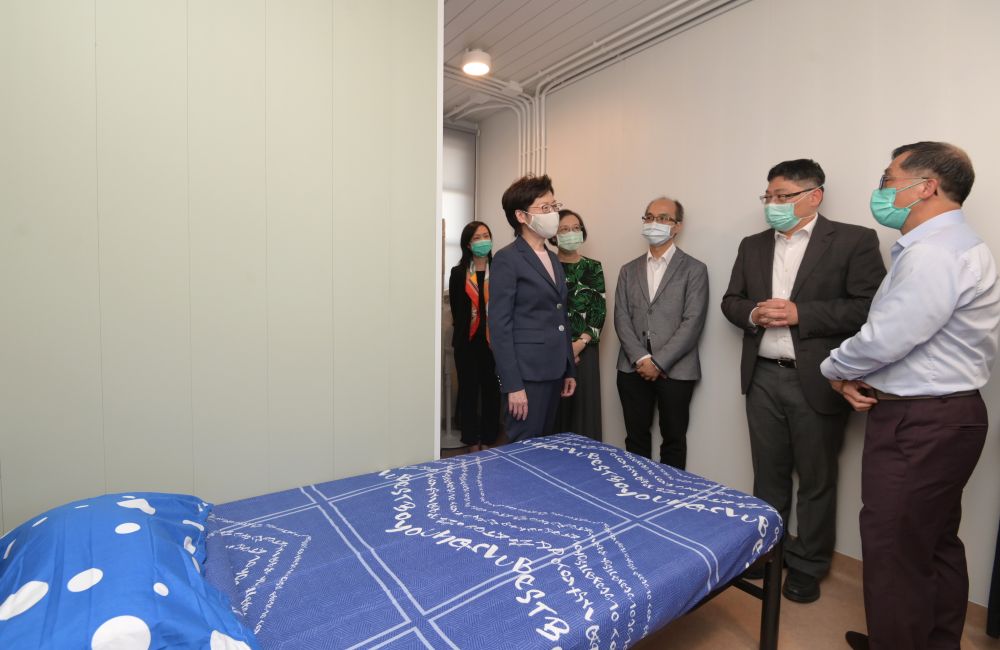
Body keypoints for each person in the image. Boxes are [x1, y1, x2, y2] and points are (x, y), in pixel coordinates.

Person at [820, 142, 1000, 650]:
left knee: (894, 547)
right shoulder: (958, 243)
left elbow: (890, 336)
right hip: (949, 416)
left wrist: (833, 368)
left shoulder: (932, 252)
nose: (880, 190)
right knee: (933, 540)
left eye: (887, 178)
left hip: (920, 422)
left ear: (925, 187)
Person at [720, 159, 886, 604]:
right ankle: (768, 556)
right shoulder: (752, 245)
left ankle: (809, 565)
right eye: (768, 196)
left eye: (783, 196)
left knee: (816, 479)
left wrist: (802, 314)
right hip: (762, 378)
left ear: (815, 195)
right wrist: (753, 313)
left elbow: (870, 307)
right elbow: (731, 300)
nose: (773, 204)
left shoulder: (854, 240)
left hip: (820, 380)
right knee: (768, 475)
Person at [614, 196, 708, 469]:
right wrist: (641, 358)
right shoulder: (628, 270)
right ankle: (635, 498)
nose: (654, 223)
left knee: (674, 440)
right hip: (632, 368)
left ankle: (669, 502)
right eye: (649, 217)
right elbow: (621, 317)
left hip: (676, 370)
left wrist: (659, 362)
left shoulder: (694, 269)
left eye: (663, 218)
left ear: (677, 226)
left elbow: (693, 321)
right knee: (635, 439)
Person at [489, 175, 576, 442]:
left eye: (554, 206)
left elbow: (560, 315)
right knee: (522, 451)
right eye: (545, 208)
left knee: (544, 449)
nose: (553, 214)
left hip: (554, 370)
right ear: (521, 216)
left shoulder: (552, 258)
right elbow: (499, 327)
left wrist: (569, 367)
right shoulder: (507, 259)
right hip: (526, 376)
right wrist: (513, 384)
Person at [549, 209, 606, 440]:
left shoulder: (594, 266)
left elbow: (599, 310)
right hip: (552, 351)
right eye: (564, 229)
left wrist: (579, 344)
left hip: (586, 349)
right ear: (553, 235)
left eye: (576, 228)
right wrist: (564, 349)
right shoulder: (547, 266)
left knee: (584, 414)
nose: (571, 233)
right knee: (554, 413)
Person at [448, 221, 501, 451]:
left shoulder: (500, 269)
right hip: (467, 342)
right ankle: (471, 440)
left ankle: (489, 438)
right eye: (478, 237)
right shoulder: (458, 273)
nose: (483, 241)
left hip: (493, 342)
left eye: (486, 235)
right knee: (468, 391)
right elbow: (457, 312)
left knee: (492, 390)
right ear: (468, 244)